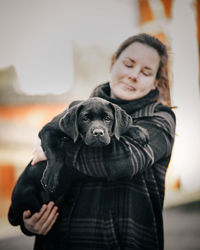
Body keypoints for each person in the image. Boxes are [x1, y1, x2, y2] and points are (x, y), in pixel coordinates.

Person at [8, 33, 176, 250]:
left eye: (146, 72)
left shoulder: (159, 119)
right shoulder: (80, 110)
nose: (134, 75)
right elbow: (39, 170)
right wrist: (28, 219)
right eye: (128, 64)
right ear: (113, 63)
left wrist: (56, 153)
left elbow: (121, 160)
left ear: (155, 83)